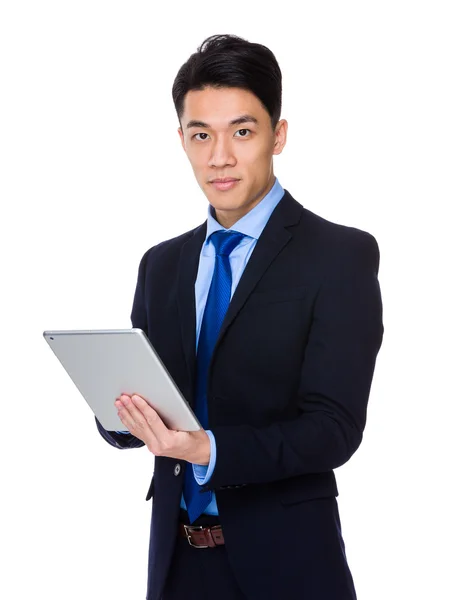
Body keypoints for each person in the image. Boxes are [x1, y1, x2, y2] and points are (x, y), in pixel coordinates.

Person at [95, 33, 384, 600]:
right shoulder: (162, 263)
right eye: (201, 134)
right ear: (181, 139)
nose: (219, 156)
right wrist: (119, 415)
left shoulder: (339, 255)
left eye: (242, 131)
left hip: (289, 565)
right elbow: (135, 416)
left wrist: (210, 449)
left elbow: (334, 430)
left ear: (278, 135)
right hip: (176, 563)